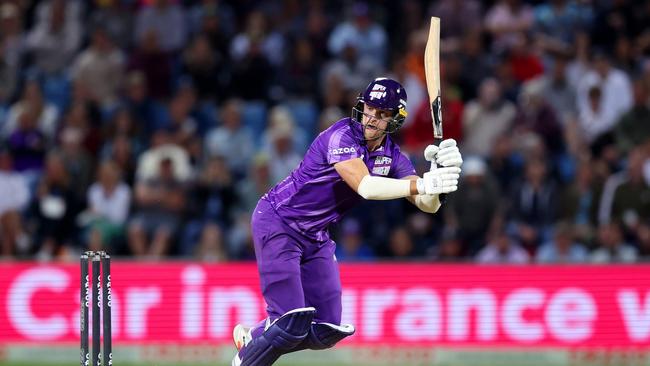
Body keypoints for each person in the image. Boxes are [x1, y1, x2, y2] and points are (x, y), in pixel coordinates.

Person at [230, 78, 463, 366]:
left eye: (381, 114)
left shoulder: (391, 155)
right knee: (288, 324)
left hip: (316, 235)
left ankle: (254, 335)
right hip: (280, 222)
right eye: (369, 109)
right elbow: (366, 187)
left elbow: (427, 205)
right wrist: (425, 185)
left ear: (396, 119)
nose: (371, 119)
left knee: (325, 330)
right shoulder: (341, 137)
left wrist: (440, 178)